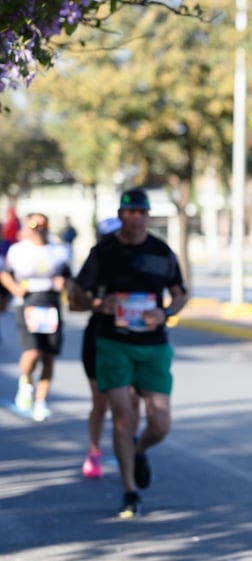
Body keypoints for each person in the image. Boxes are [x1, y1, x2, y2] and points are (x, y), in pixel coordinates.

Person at [69, 189, 189, 518]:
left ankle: (137, 450)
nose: (136, 217)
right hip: (112, 341)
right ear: (120, 215)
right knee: (122, 415)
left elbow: (180, 294)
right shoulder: (103, 252)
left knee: (160, 423)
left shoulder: (161, 252)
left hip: (152, 344)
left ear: (148, 216)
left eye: (141, 212)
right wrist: (98, 303)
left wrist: (165, 313)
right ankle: (129, 491)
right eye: (129, 211)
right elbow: (75, 297)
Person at [69, 217, 140, 479]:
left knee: (132, 399)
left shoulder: (138, 259)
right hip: (100, 337)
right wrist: (98, 304)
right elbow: (73, 301)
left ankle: (132, 447)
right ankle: (94, 450)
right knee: (101, 403)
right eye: (107, 236)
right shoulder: (96, 261)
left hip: (133, 338)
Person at [1, 213, 73, 422]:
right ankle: (25, 382)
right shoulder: (18, 250)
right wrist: (14, 289)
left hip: (51, 304)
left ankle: (40, 401)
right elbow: (5, 273)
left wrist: (64, 284)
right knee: (32, 353)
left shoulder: (59, 251)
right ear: (27, 227)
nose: (39, 228)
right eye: (35, 224)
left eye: (44, 224)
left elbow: (69, 278)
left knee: (49, 356)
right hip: (29, 304)